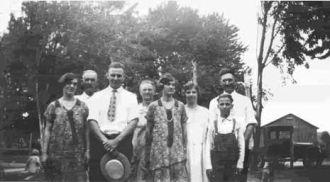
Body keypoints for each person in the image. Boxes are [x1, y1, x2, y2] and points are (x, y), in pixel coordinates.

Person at [87, 62, 139, 182]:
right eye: (113, 75)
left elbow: (133, 121)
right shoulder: (96, 96)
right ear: (107, 75)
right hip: (100, 142)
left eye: (119, 76)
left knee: (121, 177)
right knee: (97, 177)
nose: (116, 78)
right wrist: (105, 141)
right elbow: (92, 121)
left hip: (122, 142)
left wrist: (117, 140)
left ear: (123, 77)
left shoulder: (131, 97)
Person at [208, 68, 257, 182]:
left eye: (230, 80)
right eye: (224, 81)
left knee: (240, 178)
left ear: (235, 81)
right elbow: (212, 128)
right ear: (220, 83)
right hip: (221, 152)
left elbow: (251, 123)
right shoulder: (214, 102)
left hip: (242, 149)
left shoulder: (245, 100)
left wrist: (241, 146)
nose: (227, 83)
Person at [42, 73, 89, 181]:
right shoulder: (53, 106)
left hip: (77, 155)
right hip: (57, 154)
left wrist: (87, 151)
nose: (72, 86)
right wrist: (44, 153)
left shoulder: (83, 107)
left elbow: (86, 130)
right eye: (68, 83)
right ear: (63, 85)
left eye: (74, 84)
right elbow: (47, 130)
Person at [143, 73, 189, 182]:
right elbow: (148, 131)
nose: (172, 87)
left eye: (173, 85)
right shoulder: (154, 106)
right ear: (162, 86)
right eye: (168, 84)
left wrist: (184, 147)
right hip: (159, 152)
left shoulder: (180, 105)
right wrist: (148, 152)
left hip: (177, 152)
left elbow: (184, 129)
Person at [205, 94, 245, 182]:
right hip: (217, 165)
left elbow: (241, 145)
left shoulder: (237, 123)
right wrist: (208, 165)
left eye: (227, 104)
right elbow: (208, 145)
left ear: (231, 106)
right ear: (218, 106)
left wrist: (240, 163)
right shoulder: (213, 124)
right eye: (222, 104)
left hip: (232, 165)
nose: (224, 106)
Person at [130, 79, 156, 181]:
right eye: (144, 90)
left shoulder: (159, 107)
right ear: (140, 92)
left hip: (155, 149)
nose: (147, 92)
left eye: (150, 89)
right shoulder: (135, 109)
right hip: (137, 148)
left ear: (154, 92)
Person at [183, 81, 209, 182]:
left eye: (194, 92)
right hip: (186, 148)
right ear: (184, 94)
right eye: (188, 92)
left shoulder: (205, 112)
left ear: (198, 94)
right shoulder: (180, 110)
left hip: (201, 148)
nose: (191, 95)